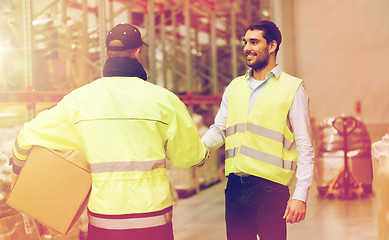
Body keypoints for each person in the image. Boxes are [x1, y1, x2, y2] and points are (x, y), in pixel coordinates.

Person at [10, 23, 208, 240]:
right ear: (138, 52)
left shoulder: (80, 100)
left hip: (105, 220)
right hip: (153, 218)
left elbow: (27, 135)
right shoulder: (165, 100)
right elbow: (189, 157)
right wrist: (203, 153)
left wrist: (18, 168)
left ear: (106, 53)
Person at [201, 20, 315, 240]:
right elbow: (220, 129)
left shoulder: (293, 88)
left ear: (272, 46)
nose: (246, 48)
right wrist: (198, 149)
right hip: (235, 188)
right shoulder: (234, 87)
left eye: (254, 42)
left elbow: (305, 146)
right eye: (245, 42)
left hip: (270, 191)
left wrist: (300, 195)